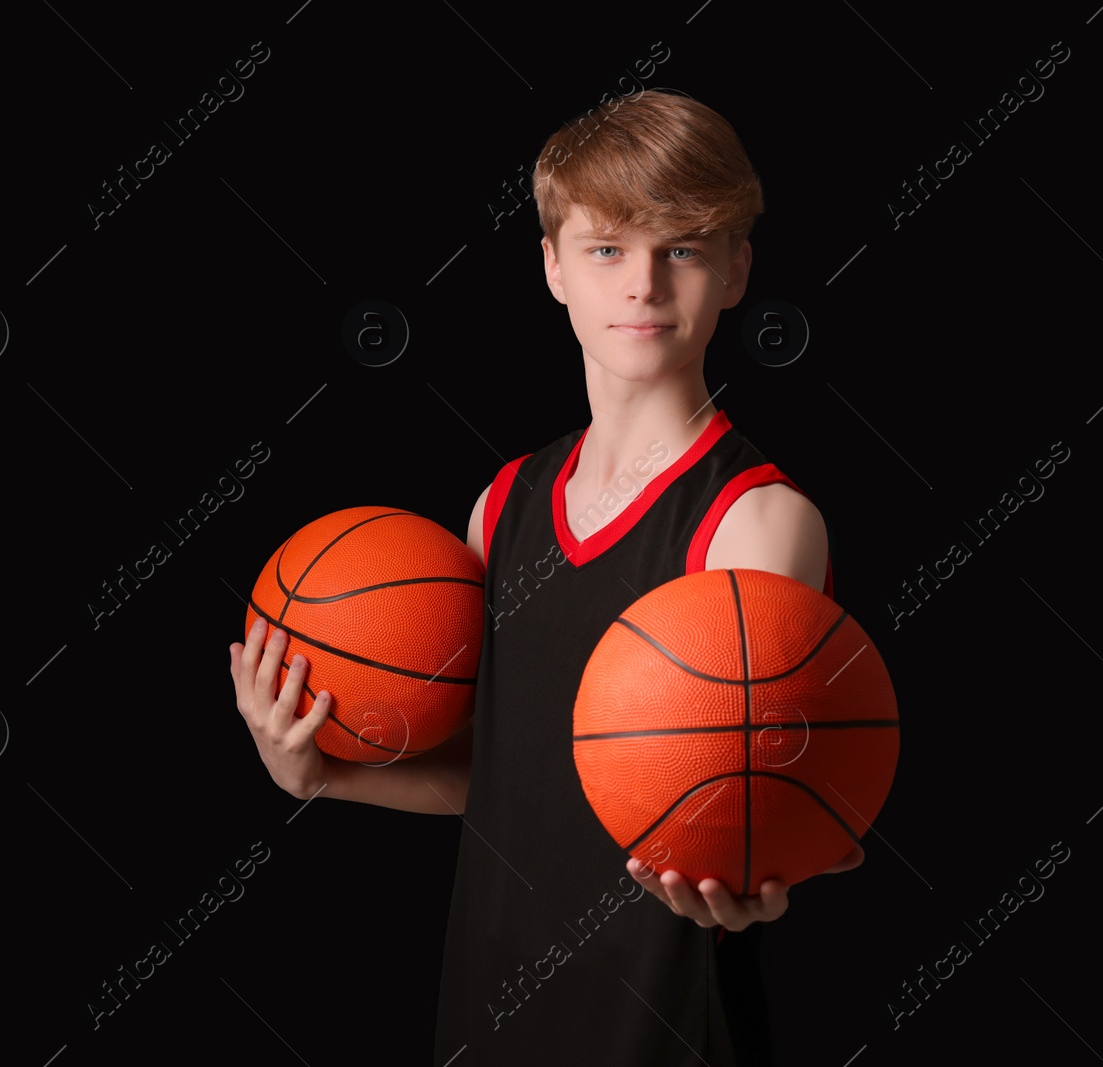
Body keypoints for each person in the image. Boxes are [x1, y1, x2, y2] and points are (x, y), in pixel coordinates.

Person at [231, 89, 863, 1065]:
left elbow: (752, 809)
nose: (643, 284)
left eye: (683, 248)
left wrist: (754, 868)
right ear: (552, 267)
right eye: (607, 247)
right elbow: (509, 773)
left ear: (736, 271)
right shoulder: (503, 503)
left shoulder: (757, 522)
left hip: (659, 1028)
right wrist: (326, 773)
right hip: (488, 1013)